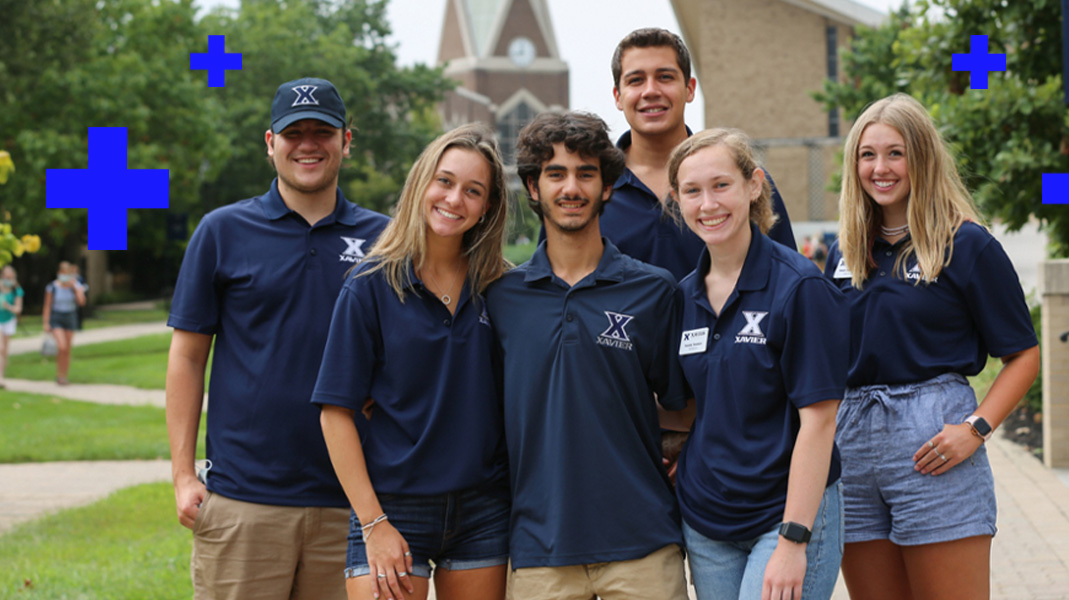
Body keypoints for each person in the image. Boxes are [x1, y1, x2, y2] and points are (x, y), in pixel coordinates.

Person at [166, 77, 390, 600]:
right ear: (271, 143)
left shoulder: (387, 239)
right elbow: (187, 357)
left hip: (354, 506)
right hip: (245, 502)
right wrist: (182, 475)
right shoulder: (222, 231)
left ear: (347, 141)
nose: (308, 144)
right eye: (294, 132)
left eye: (323, 131)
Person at [824, 93, 1040, 600]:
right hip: (852, 445)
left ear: (921, 156)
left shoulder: (966, 245)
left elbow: (1023, 354)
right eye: (867, 154)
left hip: (932, 440)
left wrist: (976, 429)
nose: (880, 168)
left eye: (895, 153)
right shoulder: (846, 249)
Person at [486, 110, 690, 600]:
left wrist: (683, 449)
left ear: (609, 187)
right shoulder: (500, 298)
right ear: (533, 189)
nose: (571, 188)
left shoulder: (654, 291)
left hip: (643, 544)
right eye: (555, 174)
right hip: (540, 549)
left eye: (585, 173)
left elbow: (686, 404)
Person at [312, 124, 510, 600]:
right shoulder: (369, 287)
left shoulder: (502, 289)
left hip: (484, 507)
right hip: (392, 504)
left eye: (473, 190)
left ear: (486, 208)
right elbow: (335, 412)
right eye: (444, 181)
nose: (454, 198)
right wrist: (373, 523)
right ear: (421, 184)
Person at [667, 128, 847, 600]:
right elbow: (692, 404)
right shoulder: (682, 297)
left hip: (785, 513)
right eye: (692, 191)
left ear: (753, 186)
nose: (708, 203)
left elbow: (820, 421)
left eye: (721, 185)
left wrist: (792, 539)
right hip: (708, 524)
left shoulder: (799, 288)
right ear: (677, 200)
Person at [603, 27, 798, 281]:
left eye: (665, 77)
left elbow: (788, 276)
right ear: (618, 96)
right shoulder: (594, 189)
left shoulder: (742, 180)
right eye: (636, 80)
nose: (650, 90)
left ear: (690, 89)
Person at [42, 261, 86, 386]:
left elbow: (81, 302)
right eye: (63, 273)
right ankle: (59, 374)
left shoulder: (75, 285)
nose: (64, 275)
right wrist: (46, 323)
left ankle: (64, 376)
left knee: (67, 349)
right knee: (61, 346)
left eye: (67, 273)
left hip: (70, 316)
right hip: (57, 317)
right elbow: (47, 305)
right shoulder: (52, 287)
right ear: (59, 273)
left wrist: (75, 288)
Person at [0, 265, 24, 387]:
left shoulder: (16, 290)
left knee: (4, 350)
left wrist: (8, 306)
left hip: (9, 320)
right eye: (6, 277)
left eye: (10, 277)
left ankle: (1, 376)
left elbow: (18, 309)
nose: (8, 279)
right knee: (0, 347)